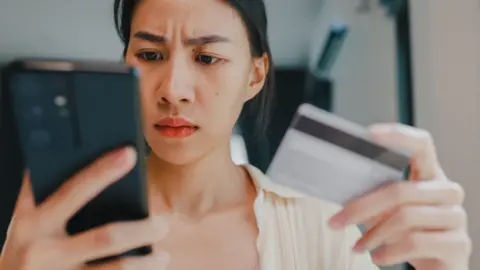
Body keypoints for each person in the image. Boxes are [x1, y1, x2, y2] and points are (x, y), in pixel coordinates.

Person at [0, 0, 472, 269]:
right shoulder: (64, 234)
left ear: (255, 75)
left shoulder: (322, 225)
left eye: (207, 59)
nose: (174, 91)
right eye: (149, 55)